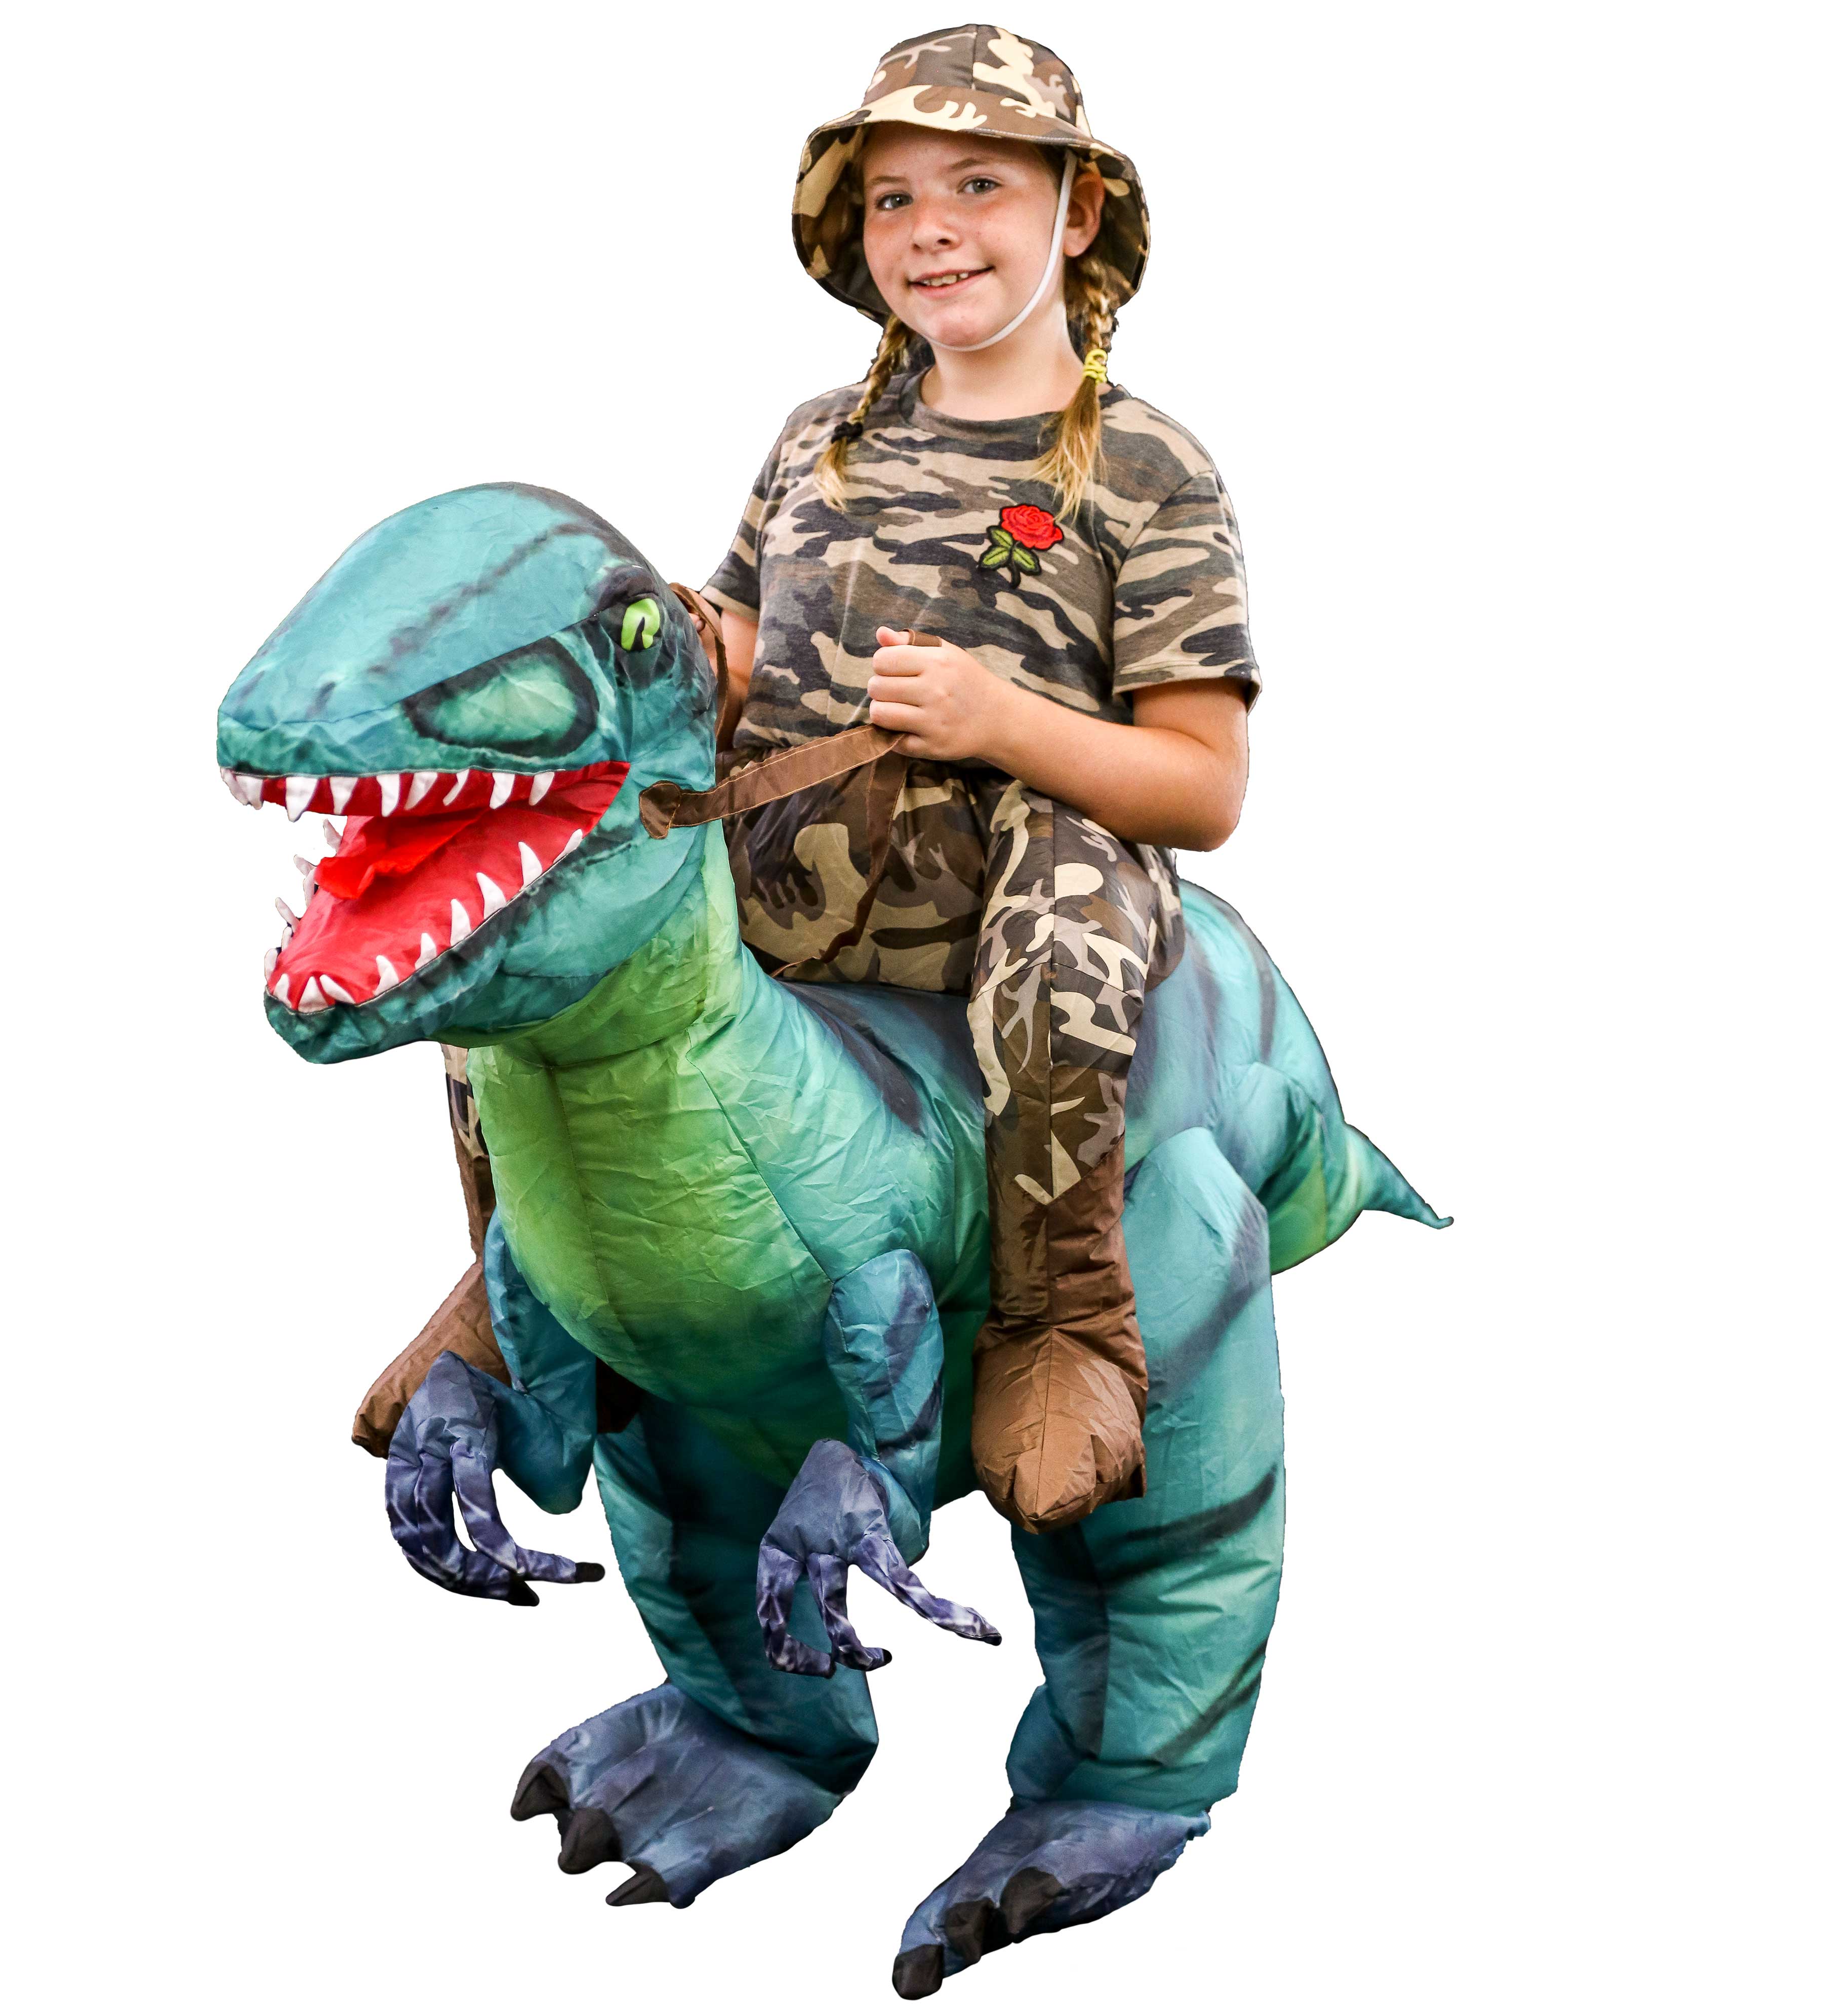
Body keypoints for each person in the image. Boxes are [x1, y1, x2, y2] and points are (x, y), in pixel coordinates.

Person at [693, 25, 1260, 1533]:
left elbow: (1203, 785)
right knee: (551, 884)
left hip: (1017, 889)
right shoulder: (816, 440)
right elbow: (735, 648)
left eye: (979, 184)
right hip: (794, 863)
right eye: (892, 198)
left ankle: (1062, 1319)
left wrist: (1001, 720)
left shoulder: (1146, 469)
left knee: (1065, 924)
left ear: (1077, 212)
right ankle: (516, 1279)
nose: (931, 228)